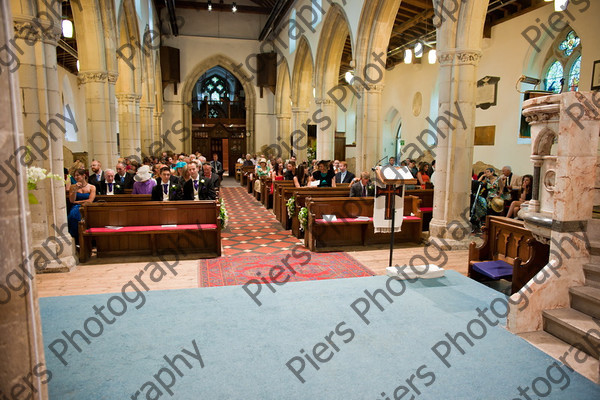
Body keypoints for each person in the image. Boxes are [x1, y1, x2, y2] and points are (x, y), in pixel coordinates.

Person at [67, 168, 96, 244]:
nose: (76, 177)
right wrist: (75, 190)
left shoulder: (92, 187)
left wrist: (78, 202)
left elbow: (90, 200)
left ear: (83, 176)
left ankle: (86, 241)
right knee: (72, 216)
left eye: (78, 175)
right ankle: (76, 240)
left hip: (87, 207)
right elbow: (72, 200)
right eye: (75, 176)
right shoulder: (73, 187)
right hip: (75, 208)